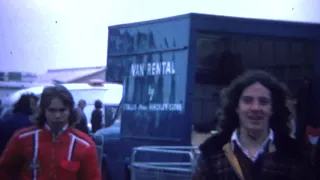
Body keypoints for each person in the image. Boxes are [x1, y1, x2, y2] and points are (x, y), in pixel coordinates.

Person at [192, 70, 313, 180]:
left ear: (273, 109)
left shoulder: (295, 155)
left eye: (263, 101)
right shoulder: (212, 153)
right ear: (236, 107)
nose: (256, 108)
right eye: (248, 100)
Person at [0, 85, 101, 180]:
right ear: (43, 111)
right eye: (52, 110)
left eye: (62, 110)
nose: (57, 115)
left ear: (70, 111)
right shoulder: (22, 138)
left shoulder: (84, 145)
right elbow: (4, 172)